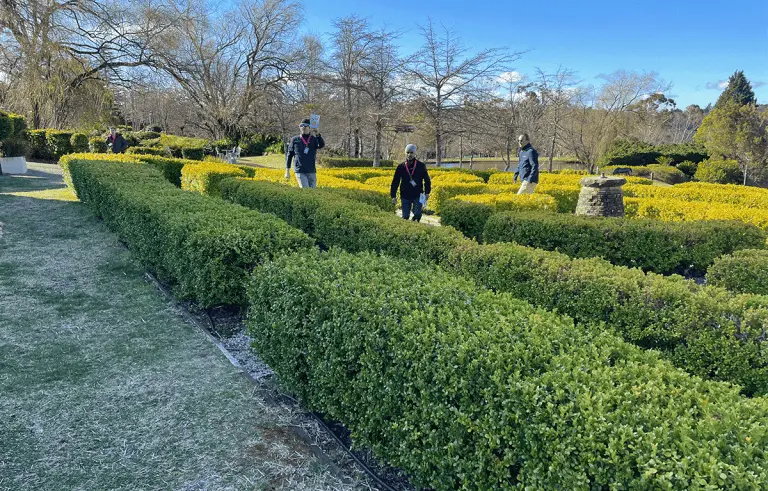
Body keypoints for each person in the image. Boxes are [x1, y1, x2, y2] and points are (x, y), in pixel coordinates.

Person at [390, 144, 431, 222]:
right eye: (408, 152)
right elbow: (395, 181)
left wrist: (427, 192)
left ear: (415, 153)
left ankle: (414, 221)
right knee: (405, 217)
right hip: (405, 195)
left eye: (411, 152)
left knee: (418, 214)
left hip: (418, 194)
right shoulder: (401, 166)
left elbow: (427, 180)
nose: (409, 154)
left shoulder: (421, 166)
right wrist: (393, 196)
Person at [285, 118, 325, 188]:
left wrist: (318, 134)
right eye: (301, 125)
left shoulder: (313, 139)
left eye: (305, 125)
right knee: (305, 189)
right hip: (300, 170)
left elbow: (321, 145)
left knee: (313, 192)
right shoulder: (295, 139)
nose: (303, 127)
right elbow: (289, 155)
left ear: (310, 128)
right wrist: (287, 171)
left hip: (311, 171)